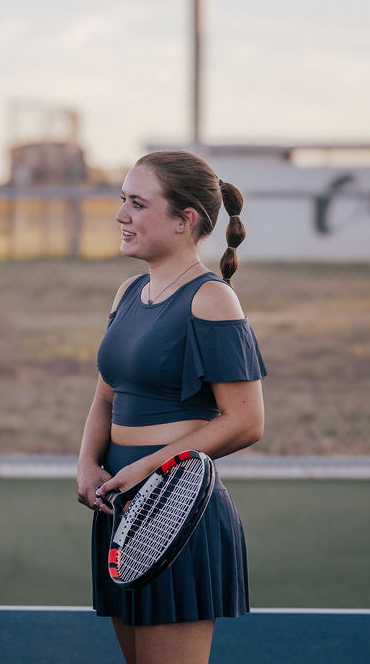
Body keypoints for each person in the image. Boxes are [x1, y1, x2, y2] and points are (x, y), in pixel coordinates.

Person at [76, 150, 266, 663]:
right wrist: (88, 463)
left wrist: (149, 469)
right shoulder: (128, 292)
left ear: (186, 221)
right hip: (118, 505)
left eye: (138, 204)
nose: (121, 216)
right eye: (123, 201)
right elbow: (105, 395)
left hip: (174, 512)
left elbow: (247, 421)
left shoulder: (212, 300)